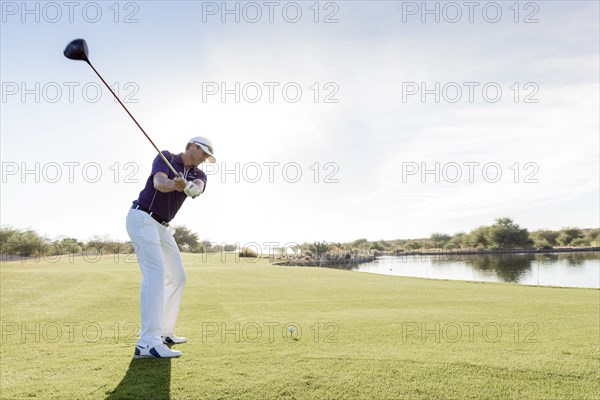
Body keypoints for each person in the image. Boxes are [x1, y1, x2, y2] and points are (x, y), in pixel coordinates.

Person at [126, 136, 216, 358]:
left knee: (178, 276)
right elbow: (159, 183)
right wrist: (173, 184)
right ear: (192, 147)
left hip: (163, 227)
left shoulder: (198, 174)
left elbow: (196, 191)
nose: (204, 159)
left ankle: (165, 332)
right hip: (142, 218)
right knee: (155, 275)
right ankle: (147, 343)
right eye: (203, 153)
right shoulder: (166, 157)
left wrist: (186, 186)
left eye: (207, 157)